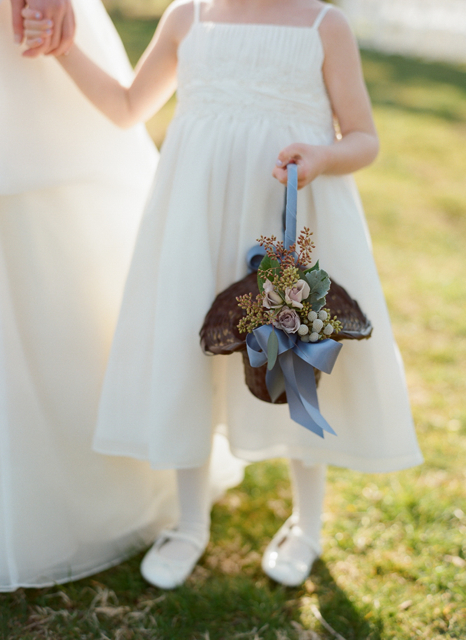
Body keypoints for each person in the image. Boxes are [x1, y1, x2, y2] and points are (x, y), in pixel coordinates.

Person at [23, 0, 423, 589]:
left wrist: (323, 155)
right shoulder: (190, 17)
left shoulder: (323, 26)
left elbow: (364, 138)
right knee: (188, 355)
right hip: (196, 227)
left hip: (284, 223)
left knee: (293, 359)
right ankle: (189, 524)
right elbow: (127, 106)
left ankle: (307, 524)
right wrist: (65, 49)